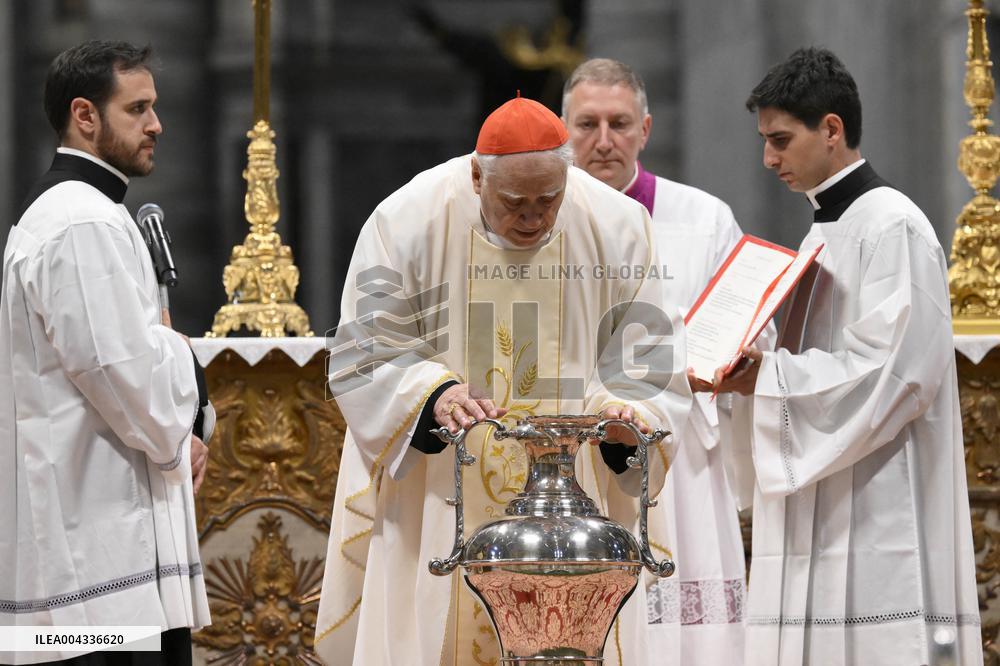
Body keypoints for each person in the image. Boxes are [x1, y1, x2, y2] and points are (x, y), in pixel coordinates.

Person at [314, 95, 692, 666]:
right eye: (515, 203)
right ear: (476, 177)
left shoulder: (617, 225)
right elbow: (363, 350)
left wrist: (624, 418)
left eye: (549, 200)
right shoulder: (407, 219)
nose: (534, 218)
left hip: (577, 505)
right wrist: (431, 394)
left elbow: (648, 355)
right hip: (443, 494)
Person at [704, 47, 982, 665]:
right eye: (765, 140)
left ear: (831, 129)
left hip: (878, 497)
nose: (768, 158)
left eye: (780, 139)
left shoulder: (892, 226)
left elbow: (895, 373)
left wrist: (769, 377)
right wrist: (749, 357)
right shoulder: (824, 230)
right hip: (826, 487)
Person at [0, 41, 212, 665]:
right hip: (95, 554)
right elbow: (119, 371)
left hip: (97, 538)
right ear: (85, 115)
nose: (156, 124)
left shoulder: (87, 212)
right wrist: (184, 385)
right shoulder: (80, 221)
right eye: (137, 108)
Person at [562, 57, 748, 665]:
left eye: (619, 123)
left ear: (645, 129)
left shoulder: (704, 219)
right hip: (576, 449)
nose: (604, 140)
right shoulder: (539, 217)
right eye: (587, 124)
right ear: (563, 130)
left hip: (679, 453)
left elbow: (744, 326)